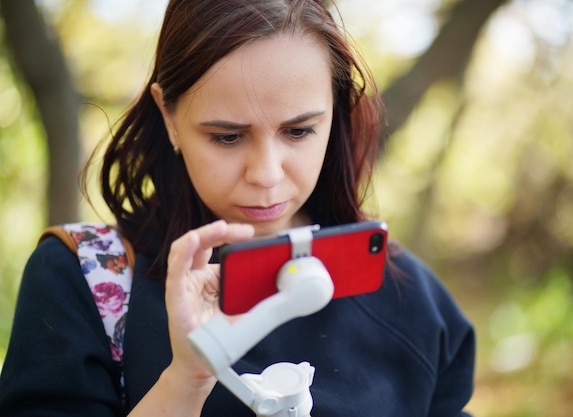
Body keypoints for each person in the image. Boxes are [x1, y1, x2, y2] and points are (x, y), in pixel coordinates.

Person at [0, 0, 475, 416]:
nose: (266, 174)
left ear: (335, 112)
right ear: (169, 117)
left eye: (299, 131)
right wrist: (185, 380)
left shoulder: (409, 296)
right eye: (227, 136)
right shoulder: (83, 280)